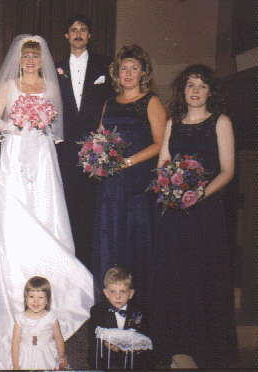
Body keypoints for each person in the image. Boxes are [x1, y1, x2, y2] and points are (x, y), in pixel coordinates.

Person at [0, 34, 93, 344]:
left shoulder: (50, 87)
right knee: (13, 217)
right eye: (26, 56)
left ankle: (48, 293)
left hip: (42, 155)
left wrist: (40, 122)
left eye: (35, 56)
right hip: (14, 154)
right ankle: (10, 287)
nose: (31, 61)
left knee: (44, 212)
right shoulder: (9, 87)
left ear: (42, 60)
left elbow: (55, 126)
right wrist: (16, 124)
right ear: (18, 59)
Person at [149, 64, 236, 368]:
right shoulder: (173, 122)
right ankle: (175, 347)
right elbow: (163, 162)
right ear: (182, 90)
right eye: (190, 85)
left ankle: (201, 349)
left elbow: (228, 171)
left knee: (202, 278)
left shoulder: (220, 122)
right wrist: (169, 187)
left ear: (210, 91)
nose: (195, 91)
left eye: (201, 86)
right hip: (173, 211)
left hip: (205, 212)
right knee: (174, 278)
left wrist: (197, 194)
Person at [92, 44, 167, 304]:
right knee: (109, 238)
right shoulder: (109, 103)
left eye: (134, 68)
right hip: (112, 183)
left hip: (138, 183)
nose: (128, 73)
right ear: (116, 73)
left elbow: (161, 144)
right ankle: (109, 304)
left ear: (143, 72)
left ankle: (138, 305)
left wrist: (129, 161)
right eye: (124, 68)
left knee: (136, 241)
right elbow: (99, 137)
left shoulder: (151, 101)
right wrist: (94, 158)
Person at [56, 15, 113, 269]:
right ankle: (69, 267)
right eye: (73, 29)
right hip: (64, 150)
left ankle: (90, 269)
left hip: (95, 150)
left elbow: (112, 105)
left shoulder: (106, 66)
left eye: (83, 29)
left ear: (90, 36)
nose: (78, 33)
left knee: (92, 211)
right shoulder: (55, 67)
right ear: (67, 36)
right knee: (66, 209)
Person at [88, 267, 152, 369]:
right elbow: (92, 338)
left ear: (131, 294)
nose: (117, 297)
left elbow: (145, 339)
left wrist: (131, 346)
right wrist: (105, 343)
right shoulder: (97, 311)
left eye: (122, 291)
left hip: (132, 361)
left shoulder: (139, 312)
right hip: (107, 361)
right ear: (106, 293)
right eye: (113, 291)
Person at [11, 276, 68, 369]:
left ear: (47, 300)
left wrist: (62, 356)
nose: (35, 301)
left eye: (41, 297)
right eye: (31, 296)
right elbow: (15, 342)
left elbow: (58, 338)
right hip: (25, 355)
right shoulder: (20, 318)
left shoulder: (51, 318)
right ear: (26, 298)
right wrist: (15, 364)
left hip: (46, 354)